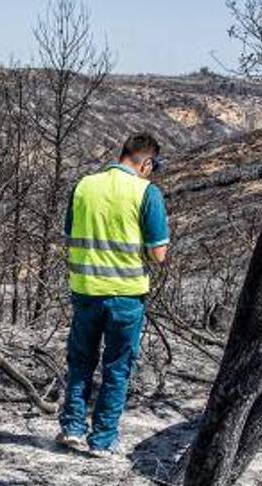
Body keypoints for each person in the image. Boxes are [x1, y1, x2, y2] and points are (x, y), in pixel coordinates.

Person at [57, 133, 171, 457]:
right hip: (126, 295)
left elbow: (70, 236)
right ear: (146, 163)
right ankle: (103, 440)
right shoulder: (146, 192)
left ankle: (72, 428)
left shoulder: (84, 186)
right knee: (117, 367)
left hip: (86, 290)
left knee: (80, 361)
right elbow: (159, 254)